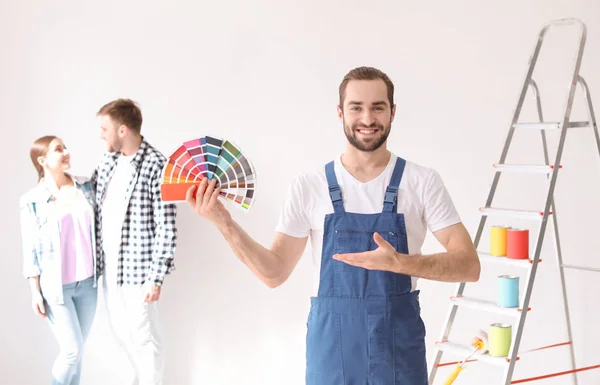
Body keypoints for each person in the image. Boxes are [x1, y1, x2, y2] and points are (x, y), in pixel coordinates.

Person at [185, 66, 481, 384]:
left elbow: (469, 266)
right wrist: (224, 222)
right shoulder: (309, 185)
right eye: (356, 107)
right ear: (340, 113)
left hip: (398, 355)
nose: (367, 119)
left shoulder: (422, 182)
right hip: (333, 357)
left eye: (378, 107)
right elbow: (274, 273)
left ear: (393, 112)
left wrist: (400, 263)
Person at [92, 98, 177, 385]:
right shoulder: (108, 161)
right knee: (117, 332)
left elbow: (167, 225)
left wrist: (157, 276)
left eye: (105, 128)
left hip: (139, 270)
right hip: (109, 268)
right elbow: (90, 196)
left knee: (146, 338)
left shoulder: (157, 165)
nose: (101, 134)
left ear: (123, 130)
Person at [19, 135, 98, 385]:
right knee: (71, 351)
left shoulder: (86, 186)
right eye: (58, 149)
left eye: (65, 147)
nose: (66, 152)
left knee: (78, 354)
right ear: (42, 160)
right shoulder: (31, 200)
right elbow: (30, 248)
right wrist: (35, 292)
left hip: (88, 284)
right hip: (56, 288)